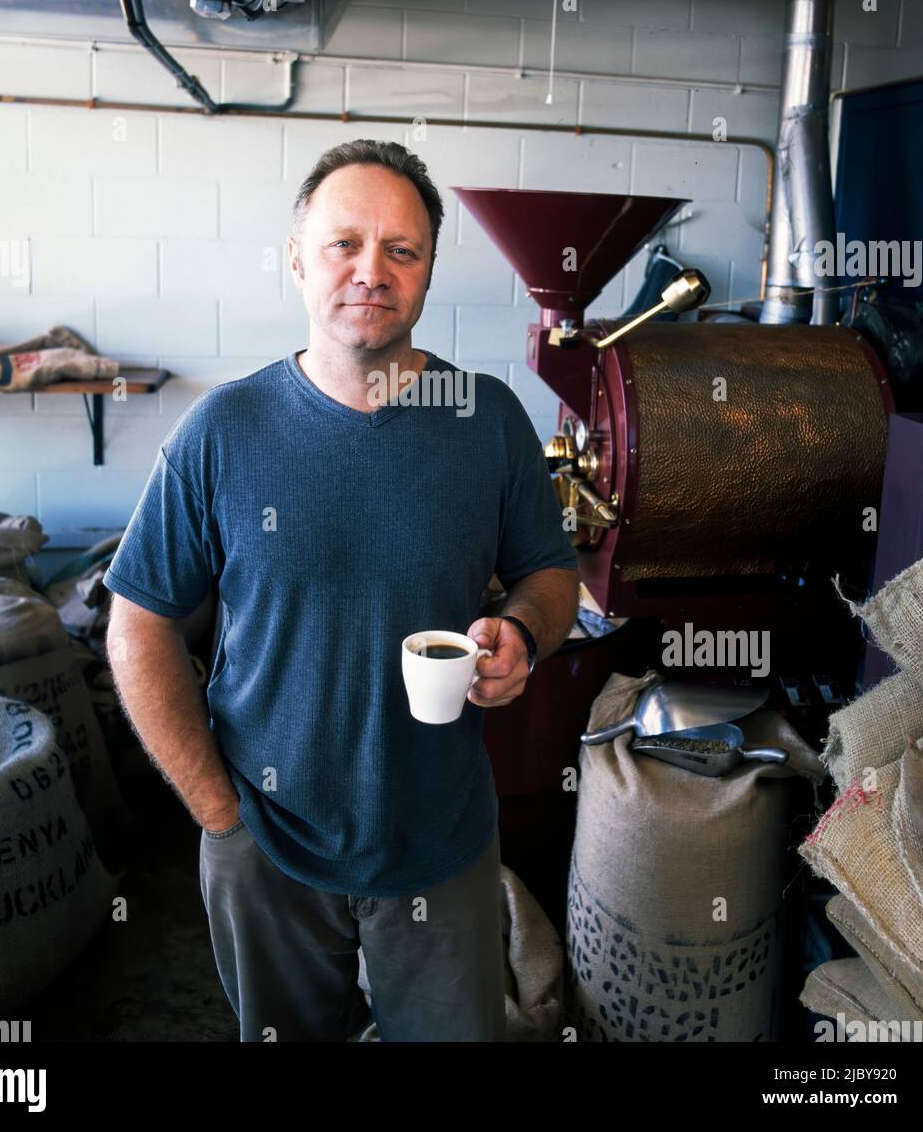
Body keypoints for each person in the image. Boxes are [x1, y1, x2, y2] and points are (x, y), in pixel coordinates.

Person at [103, 138, 580, 1042]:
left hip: (441, 838)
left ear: (430, 269)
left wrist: (523, 629)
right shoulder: (224, 430)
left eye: (402, 250)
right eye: (343, 245)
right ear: (296, 260)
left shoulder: (488, 420)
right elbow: (139, 628)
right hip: (266, 842)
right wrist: (218, 810)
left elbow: (550, 572)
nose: (372, 271)